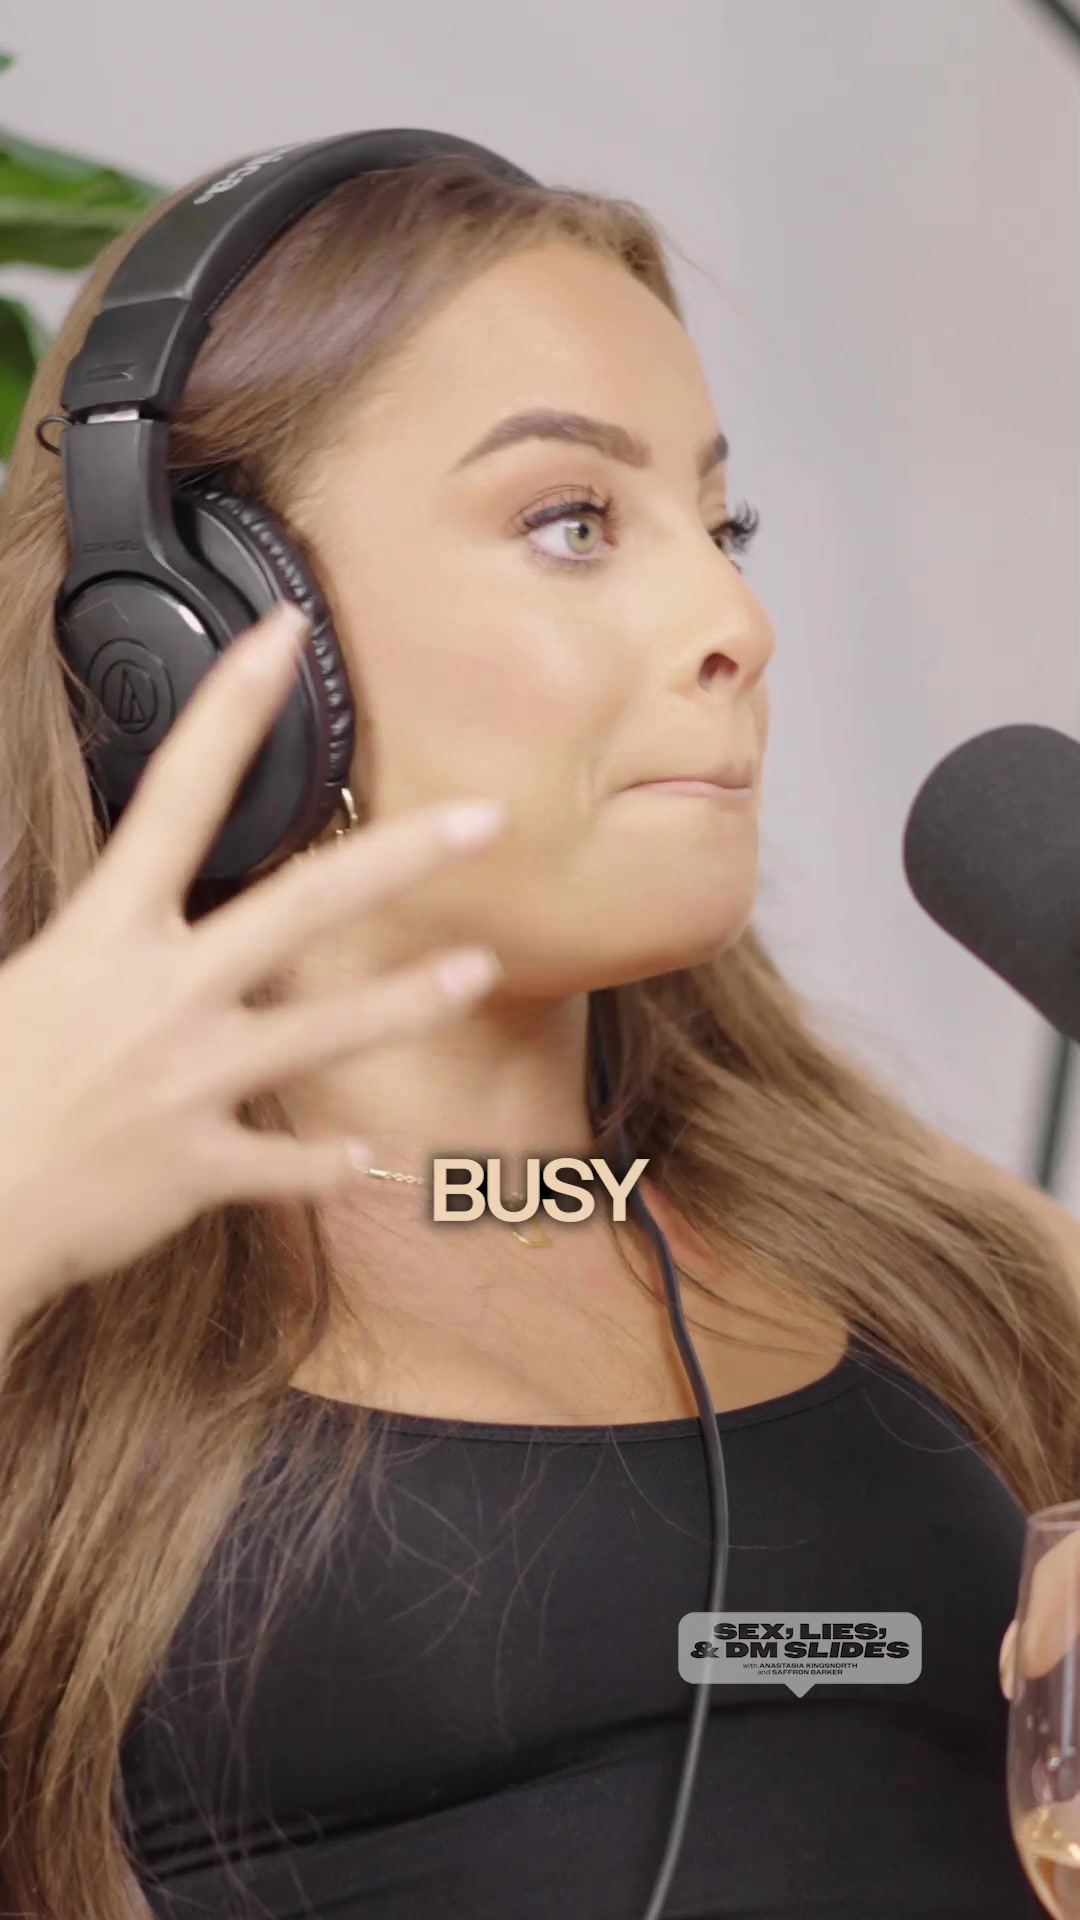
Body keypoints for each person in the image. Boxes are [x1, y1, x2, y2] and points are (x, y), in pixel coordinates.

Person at [0, 144, 1076, 1920]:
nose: (737, 622)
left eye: (723, 529)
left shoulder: (955, 1264)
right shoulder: (46, 1324)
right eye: (572, 522)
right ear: (193, 632)